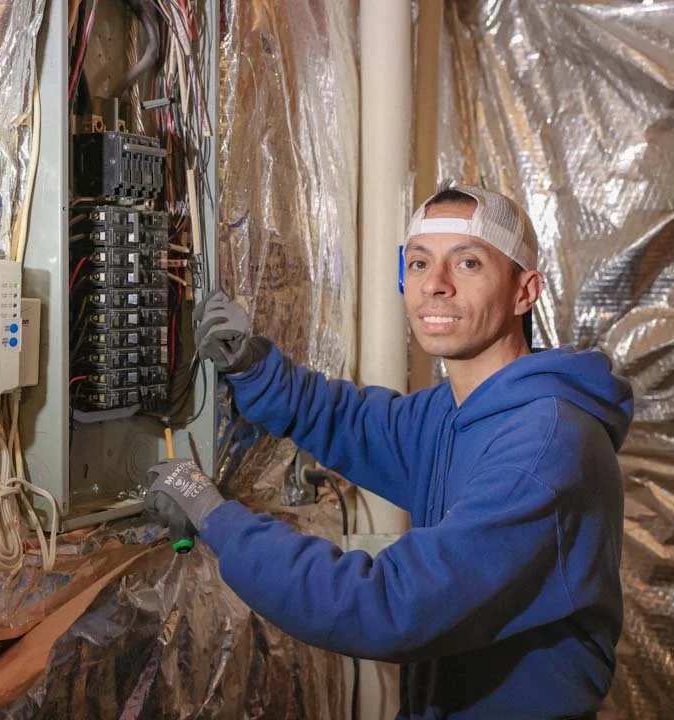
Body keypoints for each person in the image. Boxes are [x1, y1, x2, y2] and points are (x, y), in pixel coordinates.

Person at [145, 182, 634, 719]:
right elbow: (355, 423)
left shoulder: (545, 447)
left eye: (468, 263)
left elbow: (389, 607)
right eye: (419, 263)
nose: (436, 285)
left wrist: (214, 516)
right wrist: (251, 366)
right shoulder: (456, 411)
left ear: (525, 292)